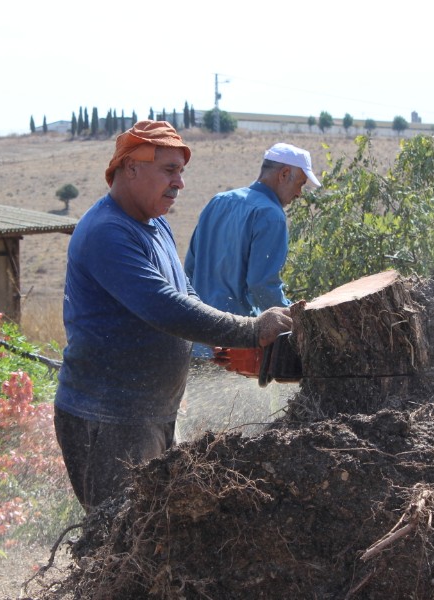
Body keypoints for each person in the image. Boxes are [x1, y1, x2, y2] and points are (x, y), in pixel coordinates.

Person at [54, 121, 292, 511]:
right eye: (169, 170)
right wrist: (250, 330)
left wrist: (216, 336)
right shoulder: (107, 232)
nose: (179, 183)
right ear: (131, 168)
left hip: (152, 413)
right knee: (119, 540)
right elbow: (162, 305)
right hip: (111, 420)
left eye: (181, 171)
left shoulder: (155, 224)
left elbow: (186, 292)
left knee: (156, 534)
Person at [184, 142, 321, 322]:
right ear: (284, 174)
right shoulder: (271, 215)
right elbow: (262, 286)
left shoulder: (217, 201)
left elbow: (190, 268)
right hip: (236, 335)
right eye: (300, 184)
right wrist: (293, 319)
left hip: (198, 327)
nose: (299, 193)